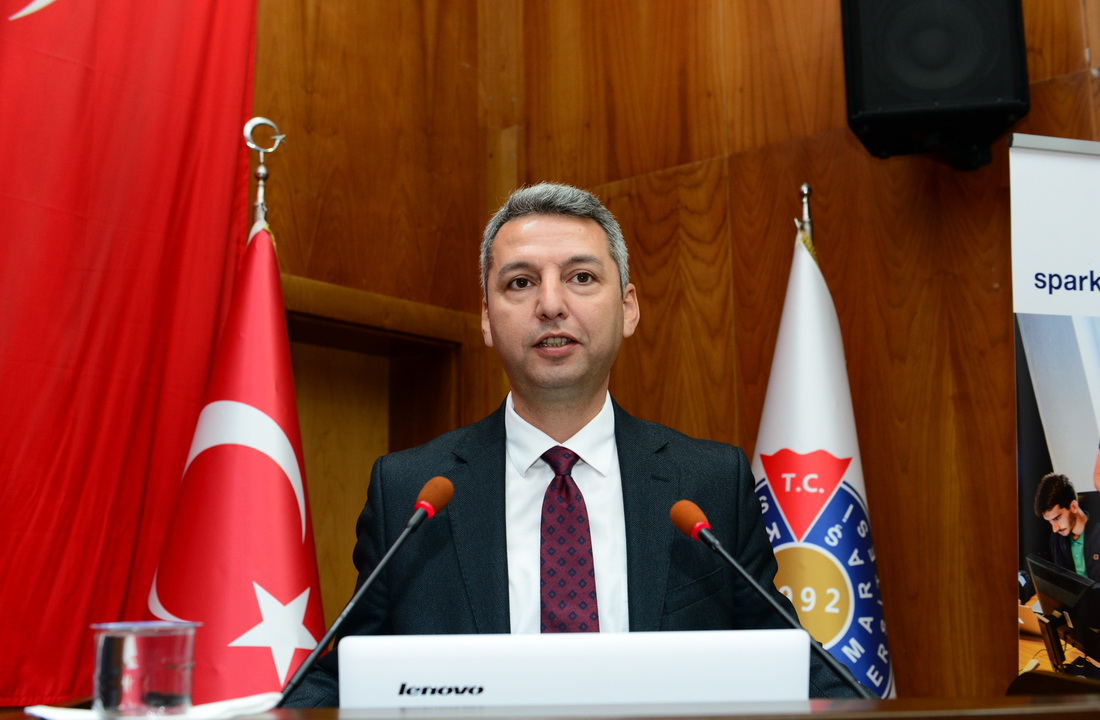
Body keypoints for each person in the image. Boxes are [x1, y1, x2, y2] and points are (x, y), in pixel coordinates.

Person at [283, 183, 864, 706]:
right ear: (486, 318)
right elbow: (343, 679)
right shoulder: (412, 492)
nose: (551, 304)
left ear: (628, 308)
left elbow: (794, 669)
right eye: (520, 282)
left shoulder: (708, 483)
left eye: (581, 277)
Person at [1035, 472, 1100, 582]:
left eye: (1057, 518)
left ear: (1073, 506)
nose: (1055, 529)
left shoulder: (1097, 534)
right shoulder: (1056, 539)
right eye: (1050, 522)